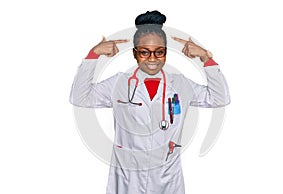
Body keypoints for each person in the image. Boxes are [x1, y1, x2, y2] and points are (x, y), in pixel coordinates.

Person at [70, 10, 230, 194]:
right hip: (128, 178)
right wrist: (94, 54)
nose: (152, 59)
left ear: (166, 53)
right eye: (144, 52)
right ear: (134, 53)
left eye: (159, 52)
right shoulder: (119, 83)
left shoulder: (180, 84)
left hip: (167, 179)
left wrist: (206, 58)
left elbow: (220, 98)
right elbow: (79, 97)